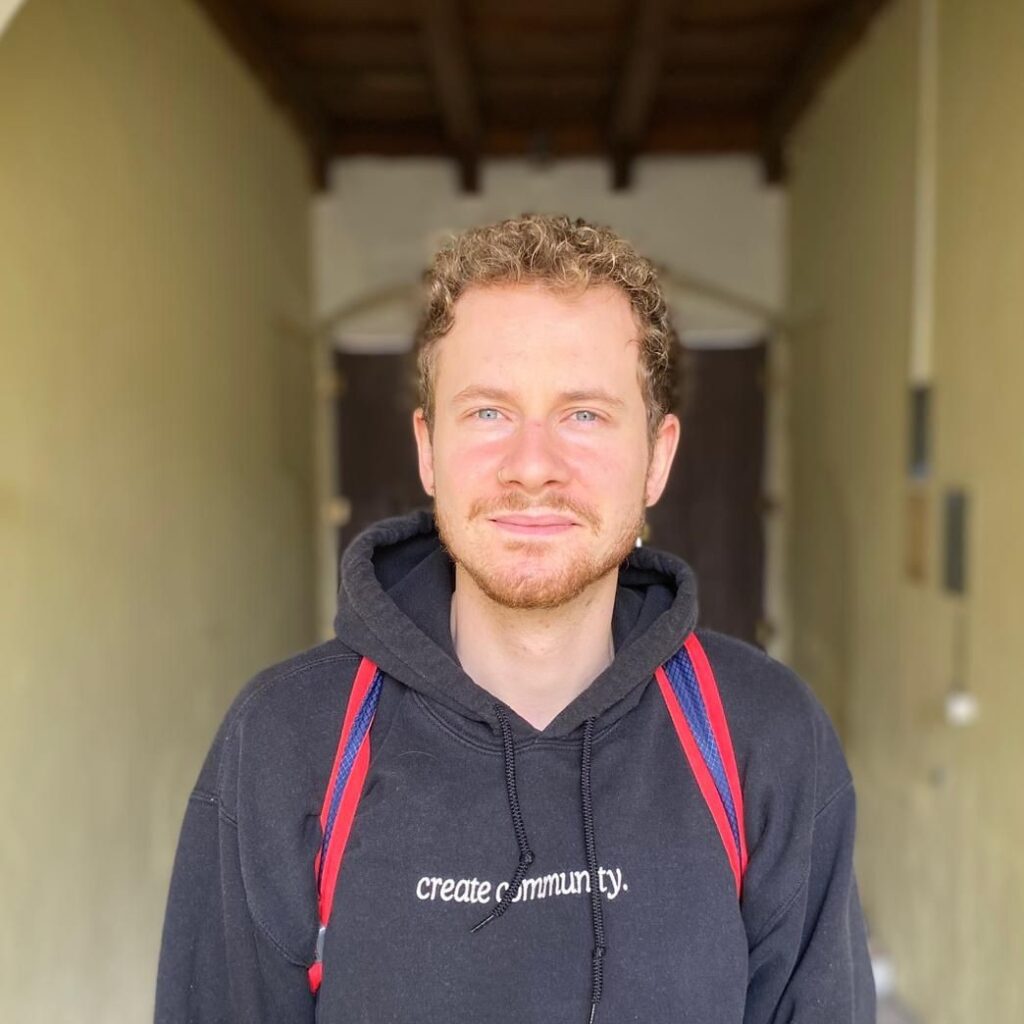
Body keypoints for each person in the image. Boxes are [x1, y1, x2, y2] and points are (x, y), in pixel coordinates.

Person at [155, 214, 875, 1023]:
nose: (533, 468)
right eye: (489, 413)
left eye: (584, 414)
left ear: (658, 457)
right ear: (428, 450)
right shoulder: (287, 742)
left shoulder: (763, 740)